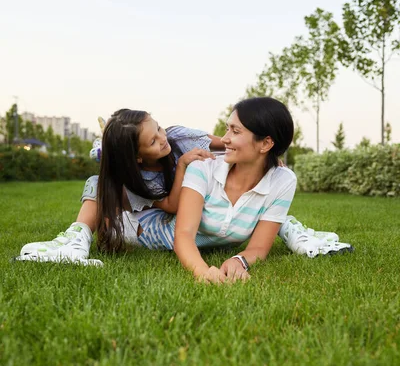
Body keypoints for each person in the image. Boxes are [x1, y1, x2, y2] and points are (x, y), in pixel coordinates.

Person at [17, 106, 353, 265]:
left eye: (159, 129)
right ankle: (78, 237)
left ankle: (292, 230)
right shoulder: (146, 176)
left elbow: (222, 140)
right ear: (135, 157)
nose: (163, 139)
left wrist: (266, 155)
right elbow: (173, 210)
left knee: (257, 196)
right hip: (170, 207)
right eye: (152, 140)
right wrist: (181, 168)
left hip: (191, 204)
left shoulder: (181, 138)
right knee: (97, 183)